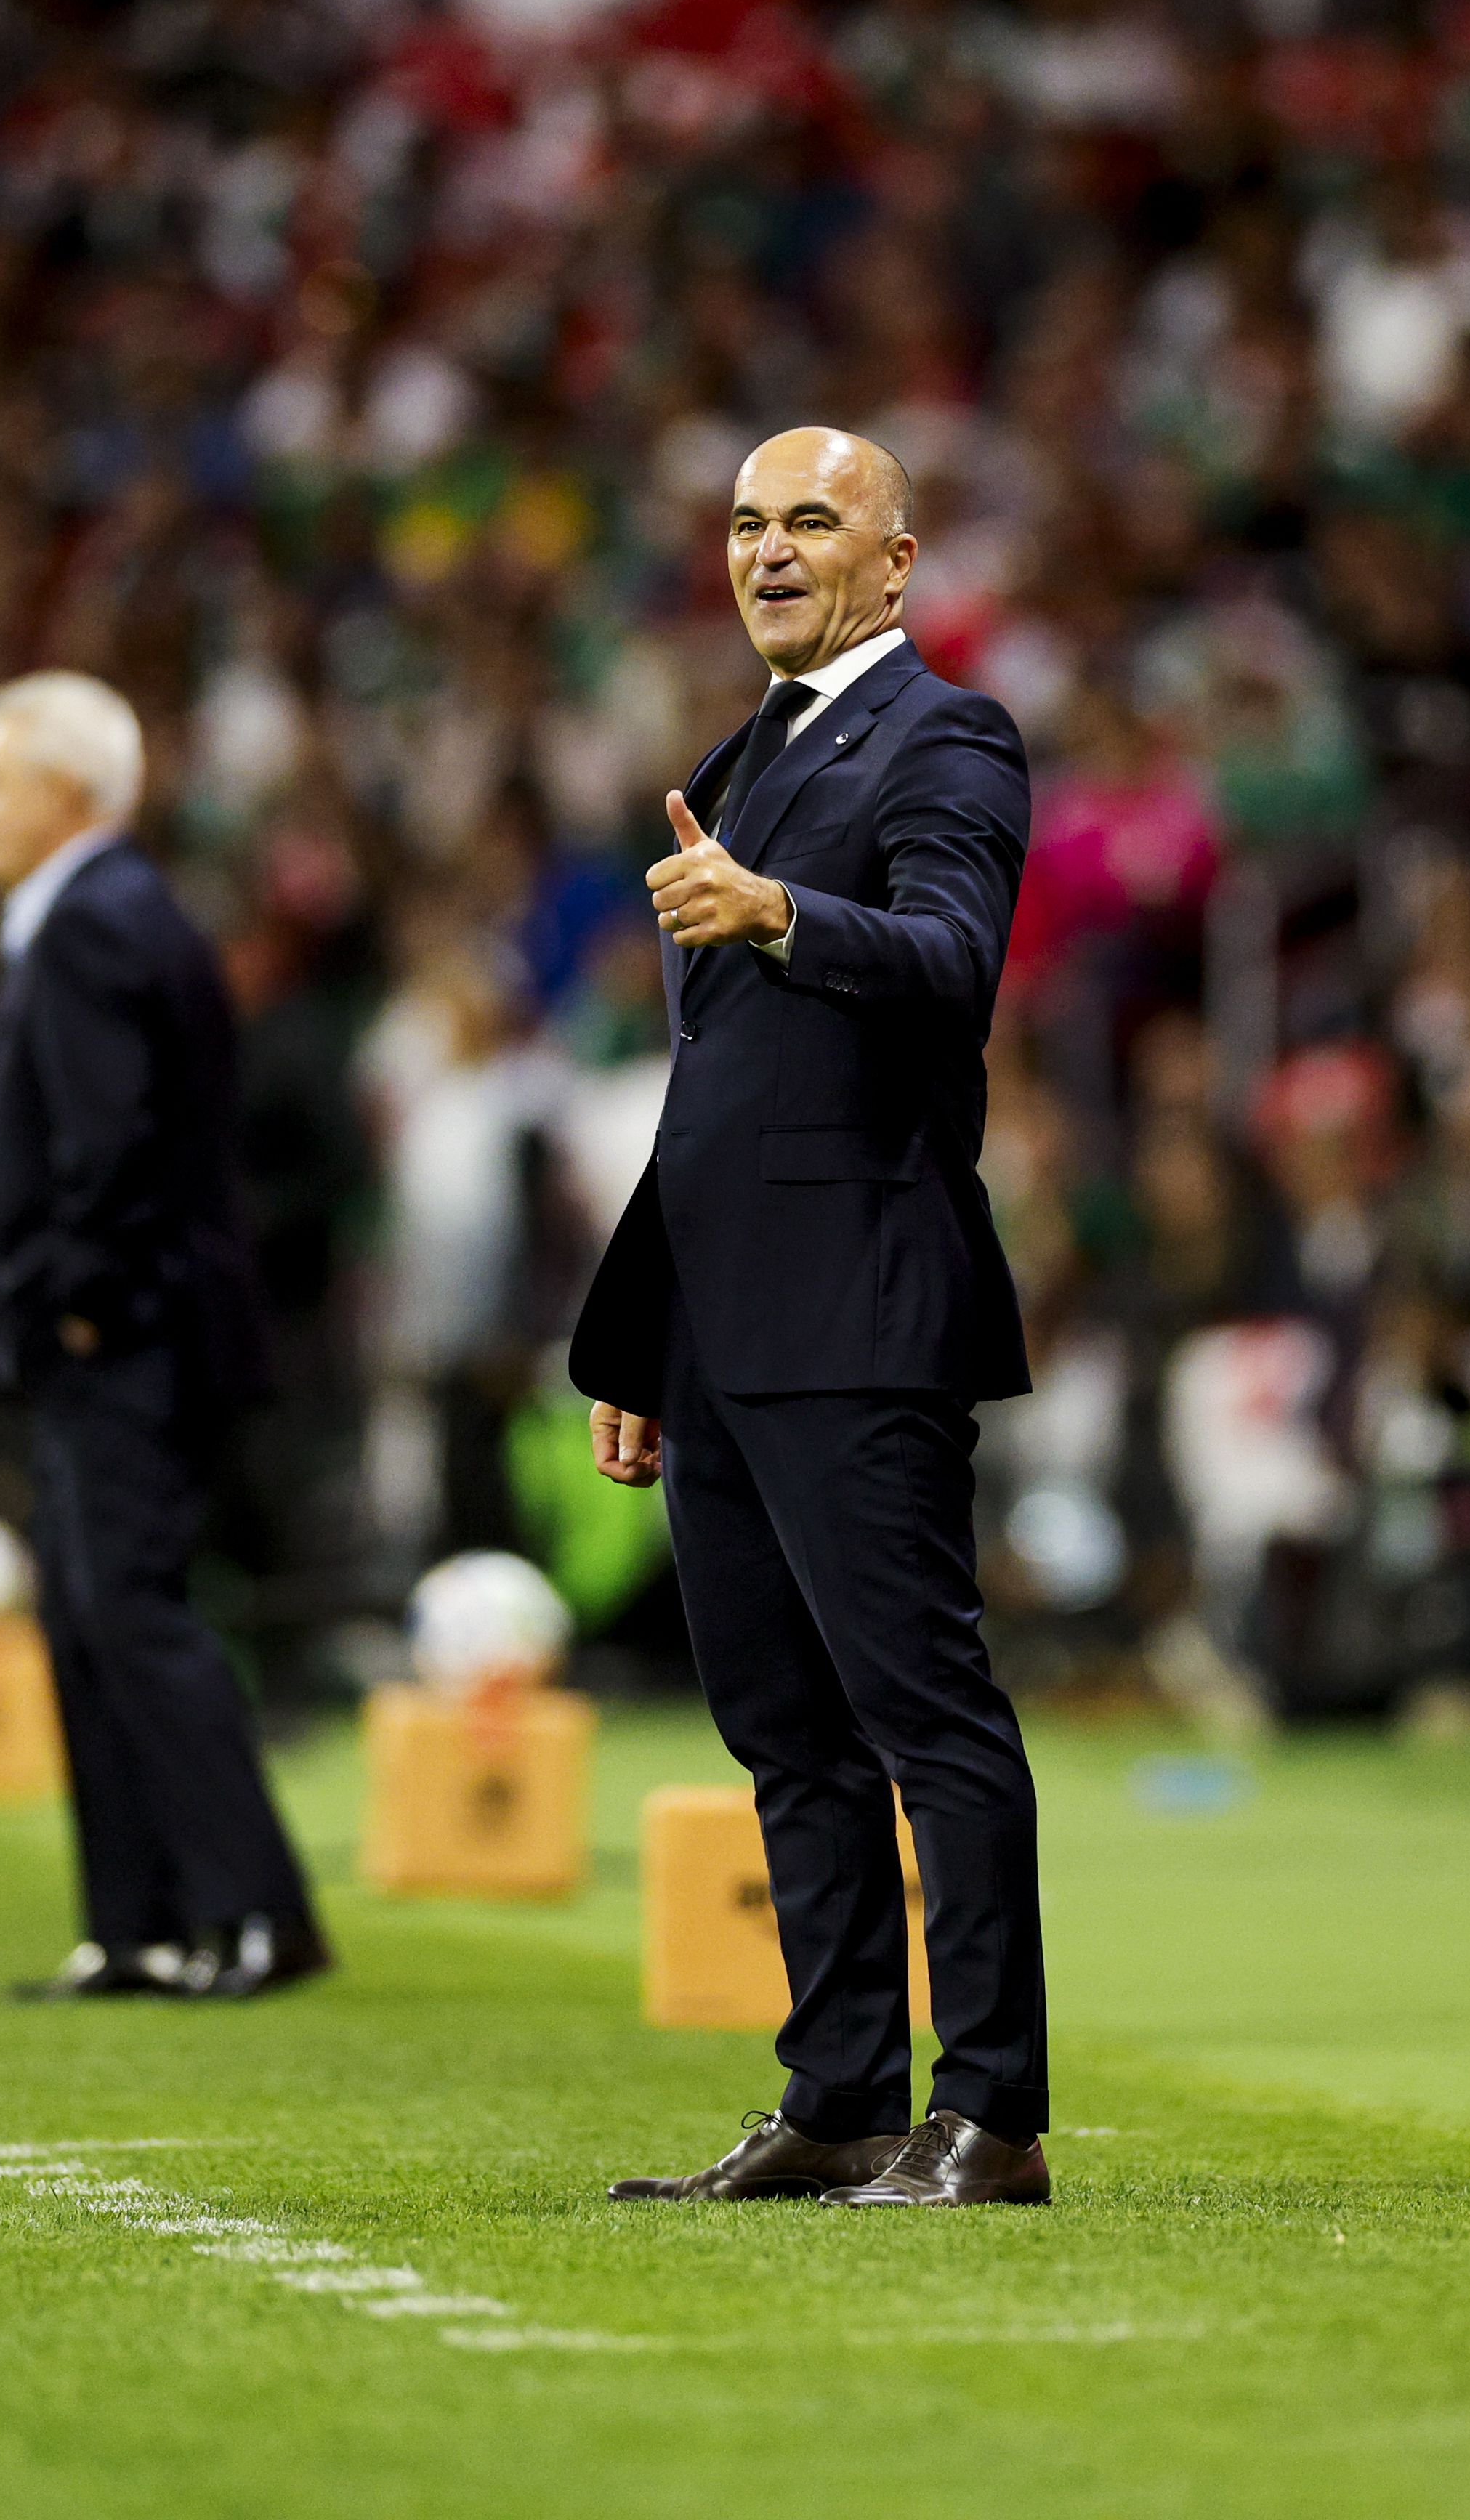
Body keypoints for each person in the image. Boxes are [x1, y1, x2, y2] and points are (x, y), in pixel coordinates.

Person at [572, 426, 1049, 2208]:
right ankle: (840, 2090)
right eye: (747, 523)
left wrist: (776, 908)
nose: (769, 551)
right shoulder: (746, 748)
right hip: (726, 1324)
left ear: (895, 559)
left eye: (811, 521)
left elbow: (950, 961)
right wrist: (640, 1334)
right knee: (781, 1727)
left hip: (859, 1302)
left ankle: (989, 2112)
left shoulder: (946, 734)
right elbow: (717, 1086)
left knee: (925, 1713)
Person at [0, 670, 327, 2001]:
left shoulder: (94, 919)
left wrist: (79, 1297)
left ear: (67, 793)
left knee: (131, 1610)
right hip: (127, 1329)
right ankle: (139, 1924)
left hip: (128, 1333)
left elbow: (108, 1146)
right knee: (86, 1614)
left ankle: (253, 1916)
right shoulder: (101, 913)